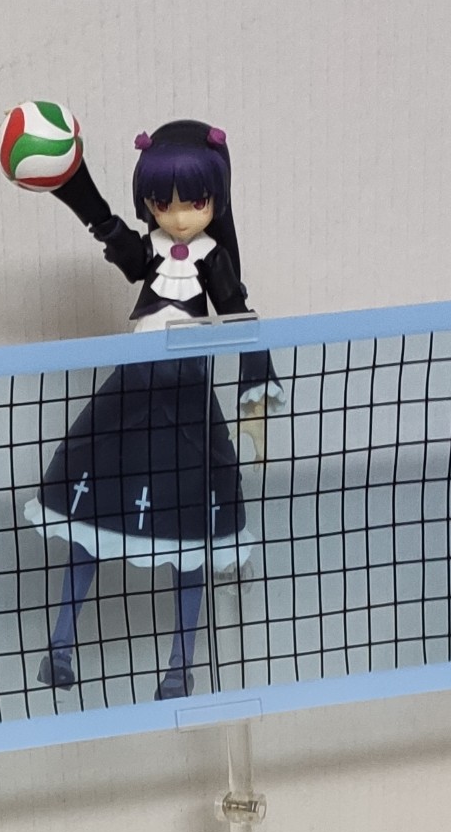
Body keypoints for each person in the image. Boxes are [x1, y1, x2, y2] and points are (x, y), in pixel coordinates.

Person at [22, 118, 279, 696]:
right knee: (89, 525)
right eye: (164, 202)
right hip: (131, 392)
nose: (179, 215)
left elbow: (239, 314)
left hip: (185, 401)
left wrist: (254, 392)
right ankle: (60, 645)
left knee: (191, 546)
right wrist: (75, 190)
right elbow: (122, 247)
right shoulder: (152, 251)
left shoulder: (212, 257)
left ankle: (179, 667)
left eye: (194, 201)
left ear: (216, 200)